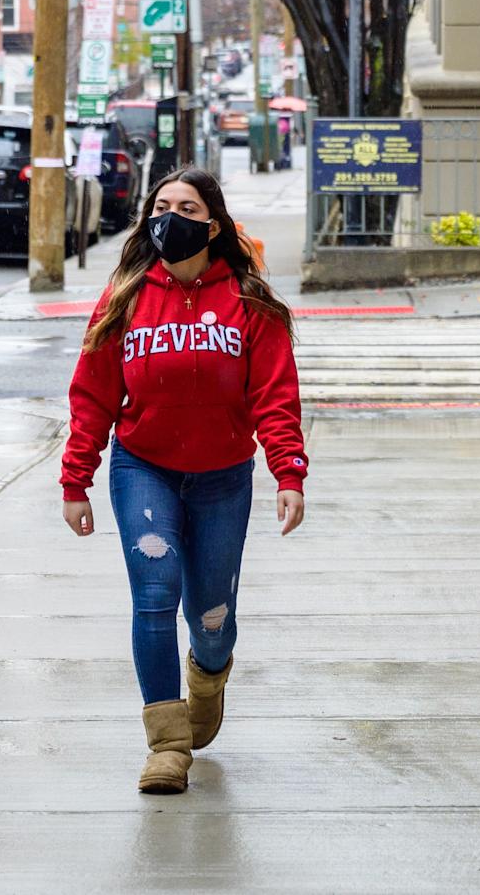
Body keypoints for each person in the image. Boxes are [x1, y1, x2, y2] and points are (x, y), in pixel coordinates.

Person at [61, 167, 308, 795]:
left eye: (187, 207)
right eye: (161, 206)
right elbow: (92, 394)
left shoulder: (250, 302)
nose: (170, 217)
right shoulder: (126, 296)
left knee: (211, 618)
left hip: (224, 477)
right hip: (143, 468)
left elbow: (275, 396)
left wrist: (287, 471)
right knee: (154, 593)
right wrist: (76, 479)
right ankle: (166, 745)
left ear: (212, 224)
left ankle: (208, 674)